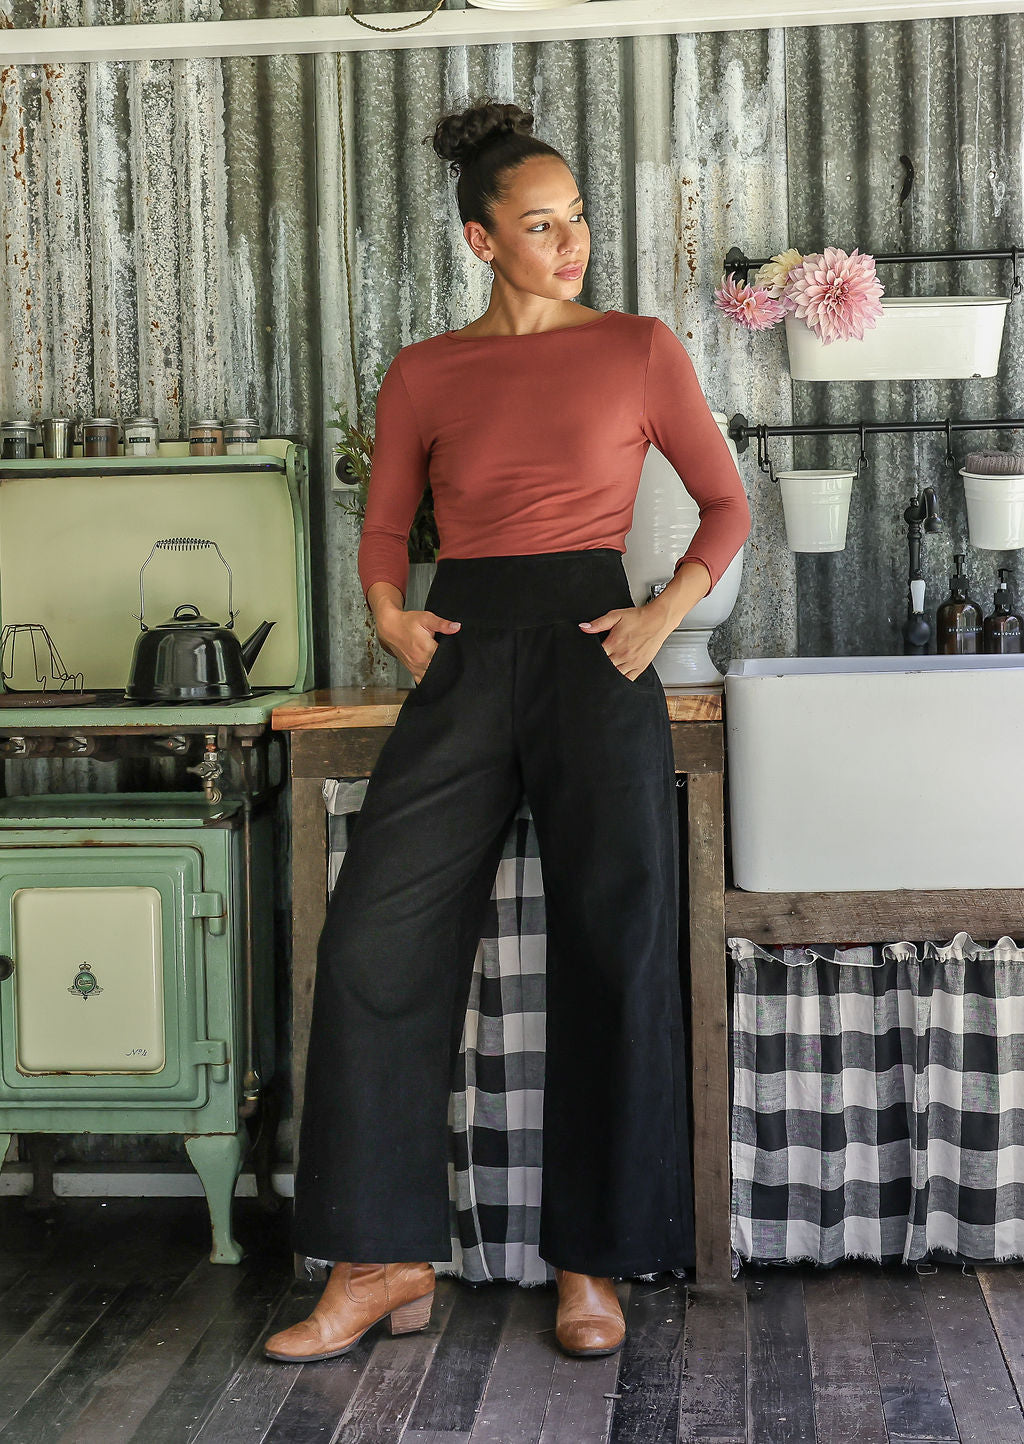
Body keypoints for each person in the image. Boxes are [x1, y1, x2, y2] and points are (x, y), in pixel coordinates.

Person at [265, 98, 750, 1366]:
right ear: (481, 241)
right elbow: (382, 525)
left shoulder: (639, 348)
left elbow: (722, 504)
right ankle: (380, 1261)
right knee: (376, 932)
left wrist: (660, 614)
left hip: (598, 649)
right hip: (467, 649)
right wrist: (390, 617)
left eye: (577, 215)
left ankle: (591, 1262)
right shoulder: (428, 370)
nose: (571, 239)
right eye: (540, 224)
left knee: (618, 941)